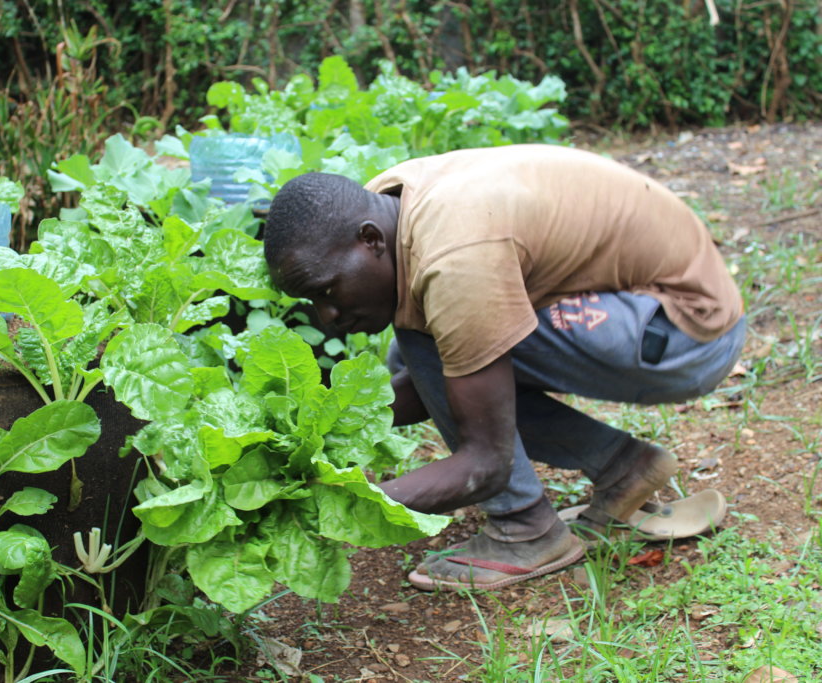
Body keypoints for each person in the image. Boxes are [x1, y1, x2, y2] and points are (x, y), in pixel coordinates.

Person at [262, 144, 746, 591]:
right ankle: (623, 466)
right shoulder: (386, 205)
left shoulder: (454, 256)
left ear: (370, 240)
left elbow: (487, 463)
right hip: (641, 305)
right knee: (424, 343)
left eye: (327, 290)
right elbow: (423, 390)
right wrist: (316, 427)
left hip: (688, 332)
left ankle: (525, 528)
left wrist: (343, 500)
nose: (328, 315)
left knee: (432, 333)